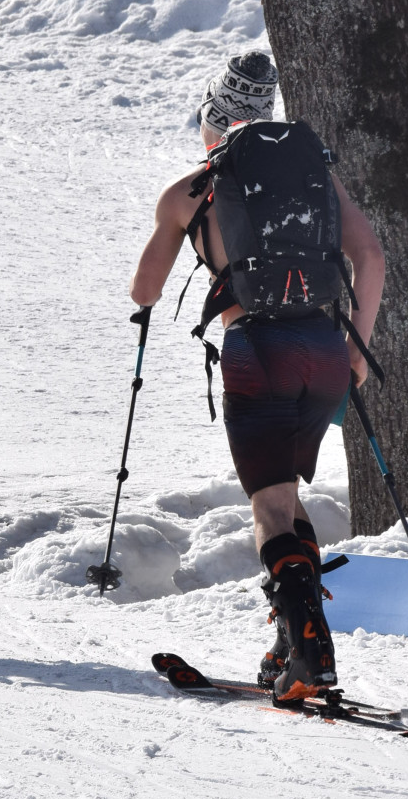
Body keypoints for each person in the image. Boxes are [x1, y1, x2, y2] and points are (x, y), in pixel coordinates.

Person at [130, 50, 385, 700]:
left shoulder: (192, 190)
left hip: (257, 353)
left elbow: (144, 291)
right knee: (288, 498)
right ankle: (290, 642)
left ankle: (311, 656)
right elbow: (370, 254)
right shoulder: (315, 177)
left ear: (213, 119)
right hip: (325, 351)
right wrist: (358, 349)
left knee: (269, 508)